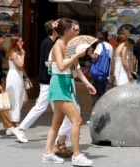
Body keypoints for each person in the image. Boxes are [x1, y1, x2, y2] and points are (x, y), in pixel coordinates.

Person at [42, 18, 95, 166]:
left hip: (64, 84)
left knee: (57, 123)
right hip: (59, 85)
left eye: (78, 30)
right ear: (66, 30)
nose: (77, 32)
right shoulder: (58, 45)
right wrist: (77, 56)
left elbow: (76, 69)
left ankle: (47, 153)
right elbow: (61, 65)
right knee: (77, 120)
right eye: (75, 29)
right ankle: (77, 155)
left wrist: (87, 84)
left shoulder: (69, 46)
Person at [14, 20, 57, 141]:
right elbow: (46, 62)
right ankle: (21, 128)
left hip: (49, 78)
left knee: (56, 107)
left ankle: (62, 133)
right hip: (47, 79)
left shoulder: (49, 42)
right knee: (41, 107)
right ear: (53, 30)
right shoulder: (48, 43)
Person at [5, 35, 32, 142]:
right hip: (14, 77)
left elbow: (21, 69)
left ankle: (13, 123)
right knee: (16, 99)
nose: (23, 42)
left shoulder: (17, 53)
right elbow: (20, 65)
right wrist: (24, 54)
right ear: (16, 43)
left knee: (23, 99)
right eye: (21, 41)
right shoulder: (13, 54)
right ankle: (14, 124)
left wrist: (27, 77)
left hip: (18, 76)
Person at [87, 29, 113, 106]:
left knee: (96, 95)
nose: (96, 38)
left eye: (97, 36)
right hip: (105, 74)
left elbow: (95, 57)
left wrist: (89, 53)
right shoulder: (110, 46)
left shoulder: (100, 45)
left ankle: (96, 113)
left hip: (97, 74)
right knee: (102, 94)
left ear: (101, 37)